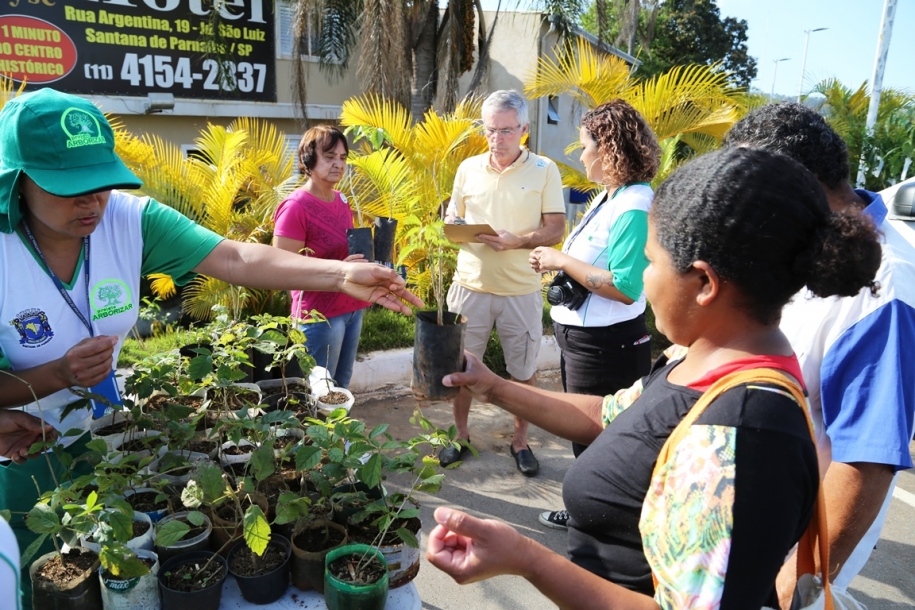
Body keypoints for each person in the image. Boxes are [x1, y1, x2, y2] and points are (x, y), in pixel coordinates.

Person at [0, 87, 422, 609]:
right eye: (69, 187)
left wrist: (339, 274)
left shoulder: (128, 219)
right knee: (36, 576)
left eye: (100, 182)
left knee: (110, 564)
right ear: (18, 180)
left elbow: (234, 259)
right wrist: (57, 375)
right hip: (18, 450)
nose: (91, 202)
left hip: (102, 431)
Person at [427, 147, 882, 608]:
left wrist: (528, 559)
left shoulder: (738, 433)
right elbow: (608, 414)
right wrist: (493, 387)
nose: (642, 280)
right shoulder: (701, 359)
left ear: (704, 283)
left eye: (650, 262)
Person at [722, 103, 915, 607]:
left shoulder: (883, 287)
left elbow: (867, 457)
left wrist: (799, 577)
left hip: (792, 540)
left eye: (753, 197)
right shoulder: (805, 243)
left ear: (798, 187)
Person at [529, 99, 658, 529]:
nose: (581, 155)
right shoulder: (612, 197)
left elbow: (625, 287)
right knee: (587, 436)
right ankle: (592, 512)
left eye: (584, 145)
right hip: (585, 341)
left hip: (606, 346)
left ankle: (595, 522)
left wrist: (561, 261)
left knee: (597, 436)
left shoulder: (633, 204)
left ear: (609, 150)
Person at [440, 89, 565, 476]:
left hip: (520, 291)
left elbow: (555, 229)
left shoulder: (545, 169)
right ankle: (460, 436)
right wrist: (454, 225)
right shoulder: (468, 168)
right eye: (490, 130)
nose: (496, 139)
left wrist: (519, 240)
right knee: (460, 369)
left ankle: (520, 441)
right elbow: (453, 220)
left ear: (524, 128)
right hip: (469, 287)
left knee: (522, 373)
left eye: (506, 130)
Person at [273, 125, 369, 389]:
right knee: (319, 392)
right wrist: (338, 268)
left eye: (343, 157)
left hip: (351, 307)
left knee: (341, 387)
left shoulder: (342, 200)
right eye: (329, 157)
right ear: (308, 159)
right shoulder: (295, 207)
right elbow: (280, 267)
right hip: (318, 316)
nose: (338, 164)